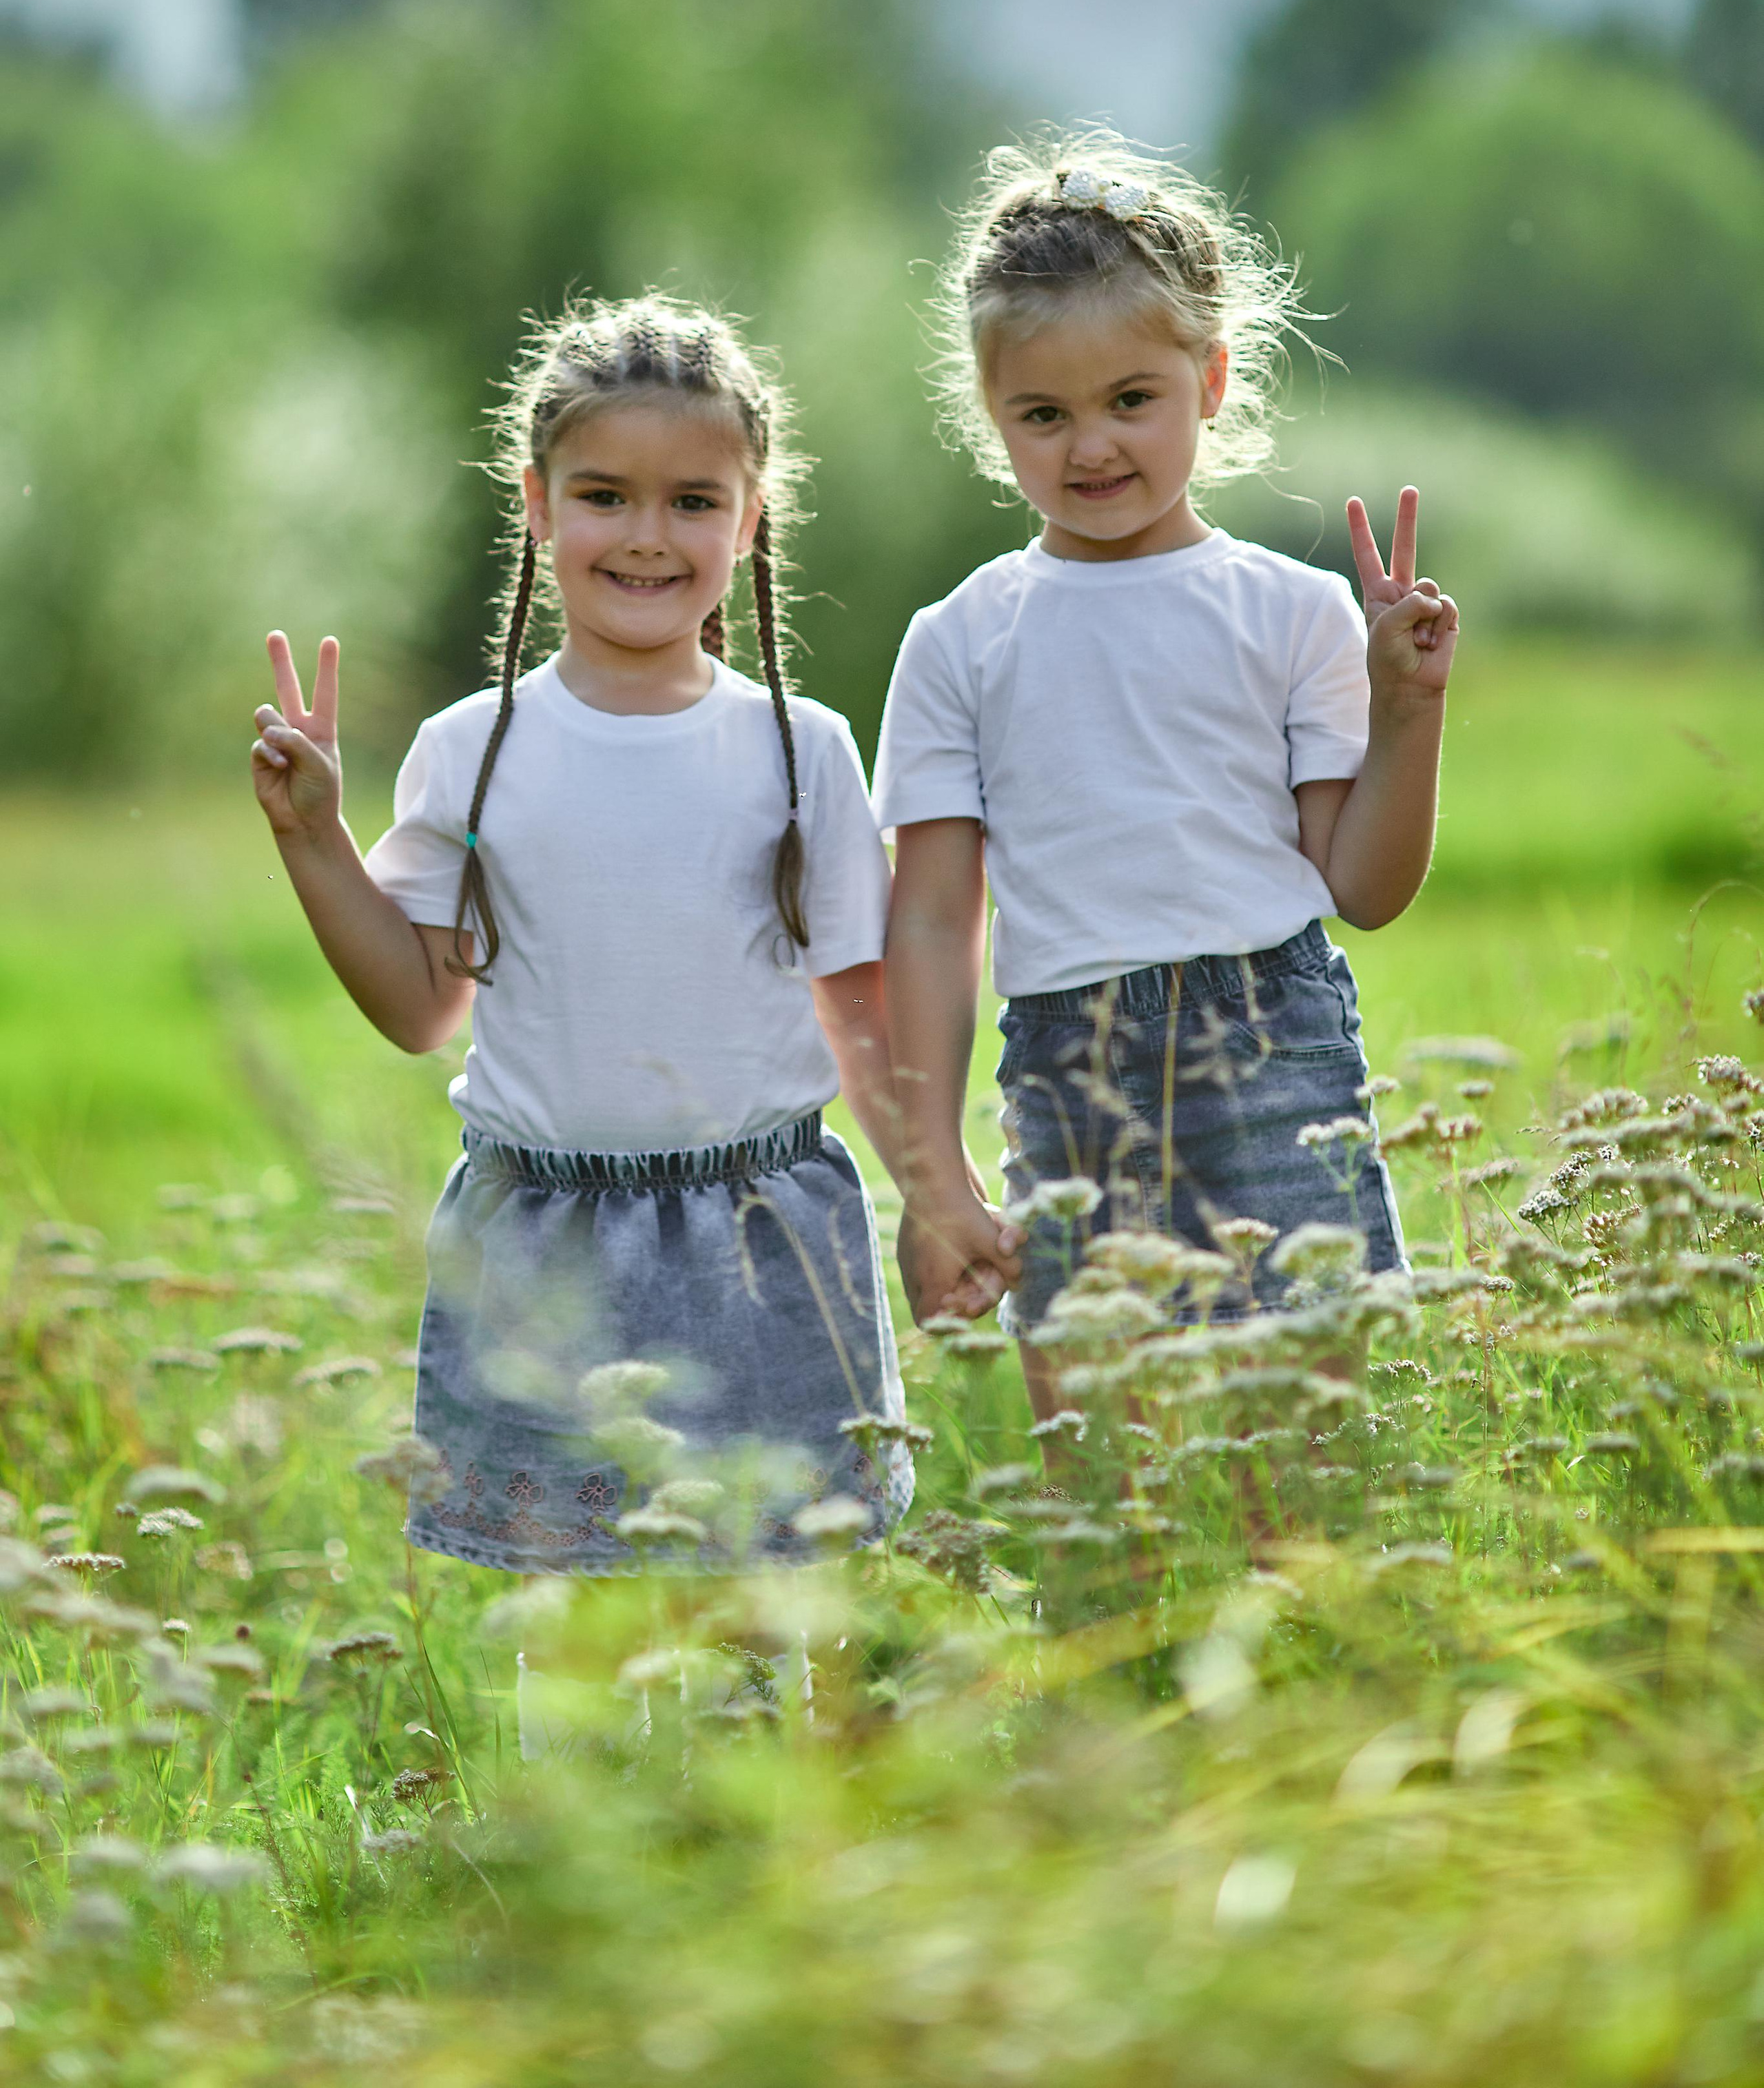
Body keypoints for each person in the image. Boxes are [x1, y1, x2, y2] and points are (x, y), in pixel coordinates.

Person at [249, 296, 913, 1626]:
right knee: (576, 1627)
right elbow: (420, 1008)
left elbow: (865, 1011)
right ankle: (571, 1832)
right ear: (539, 506)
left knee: (750, 1601)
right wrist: (316, 838)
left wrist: (938, 1200)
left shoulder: (802, 751)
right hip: (544, 1243)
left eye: (693, 501)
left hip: (759, 1236)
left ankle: (746, 1837)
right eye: (605, 496)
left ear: (753, 513)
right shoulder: (474, 746)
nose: (648, 537)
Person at [875, 140, 1458, 1413]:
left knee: (1306, 1440)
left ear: (1212, 381)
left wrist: (1408, 712)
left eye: (1130, 399)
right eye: (1045, 413)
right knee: (1107, 1460)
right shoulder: (961, 640)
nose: (1091, 446)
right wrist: (933, 1177)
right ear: (994, 417)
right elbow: (927, 917)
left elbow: (1361, 886)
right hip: (1069, 1081)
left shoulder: (1294, 612)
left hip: (1276, 1049)